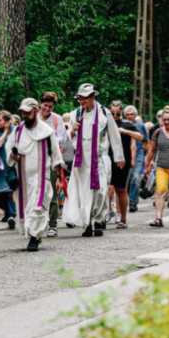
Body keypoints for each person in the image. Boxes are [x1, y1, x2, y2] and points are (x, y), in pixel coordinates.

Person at [63, 83, 124, 237]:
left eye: (85, 98)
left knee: (101, 190)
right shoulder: (75, 115)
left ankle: (98, 219)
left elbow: (114, 136)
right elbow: (67, 140)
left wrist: (119, 157)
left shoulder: (104, 113)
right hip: (82, 160)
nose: (82, 101)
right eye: (80, 98)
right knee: (85, 193)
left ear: (92, 97)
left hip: (100, 158)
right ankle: (88, 223)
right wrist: (72, 130)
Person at [8, 98, 64, 250]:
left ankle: (34, 238)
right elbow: (9, 151)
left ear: (36, 111)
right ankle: (36, 234)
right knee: (27, 208)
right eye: (23, 112)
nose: (25, 115)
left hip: (42, 178)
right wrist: (13, 157)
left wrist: (58, 178)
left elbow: (56, 156)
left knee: (37, 207)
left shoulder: (47, 132)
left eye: (28, 112)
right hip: (23, 179)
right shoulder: (18, 131)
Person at [108, 101, 141, 229]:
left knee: (120, 190)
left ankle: (123, 218)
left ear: (121, 112)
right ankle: (104, 215)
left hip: (122, 161)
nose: (115, 115)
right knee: (106, 189)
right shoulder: (106, 123)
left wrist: (126, 131)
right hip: (107, 159)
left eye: (117, 113)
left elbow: (140, 137)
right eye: (112, 113)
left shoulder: (127, 124)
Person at [38, 92, 66, 236]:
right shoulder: (34, 118)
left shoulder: (56, 119)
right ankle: (39, 223)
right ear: (40, 104)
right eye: (45, 106)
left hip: (53, 159)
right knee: (38, 194)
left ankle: (53, 225)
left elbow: (62, 138)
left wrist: (50, 138)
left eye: (50, 106)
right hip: (37, 160)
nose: (48, 109)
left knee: (53, 193)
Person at [0, 110, 17, 229]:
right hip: (0, 165)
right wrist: (5, 131)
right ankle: (7, 213)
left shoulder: (15, 129)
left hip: (12, 164)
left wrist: (10, 130)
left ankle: (12, 215)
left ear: (7, 121)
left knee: (10, 189)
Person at [124, 106, 148, 212]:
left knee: (135, 178)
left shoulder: (141, 126)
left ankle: (133, 202)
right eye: (128, 114)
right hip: (125, 155)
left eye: (132, 114)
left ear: (135, 115)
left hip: (139, 154)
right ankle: (130, 197)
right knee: (127, 180)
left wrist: (148, 159)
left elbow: (146, 142)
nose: (130, 116)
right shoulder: (122, 125)